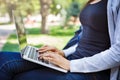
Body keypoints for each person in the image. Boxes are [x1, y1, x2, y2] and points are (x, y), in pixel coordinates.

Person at [0, 0, 120, 80]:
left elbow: (117, 54)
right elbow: (86, 38)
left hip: (92, 71)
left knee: (17, 74)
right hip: (72, 60)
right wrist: (63, 53)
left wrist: (70, 65)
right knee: (3, 59)